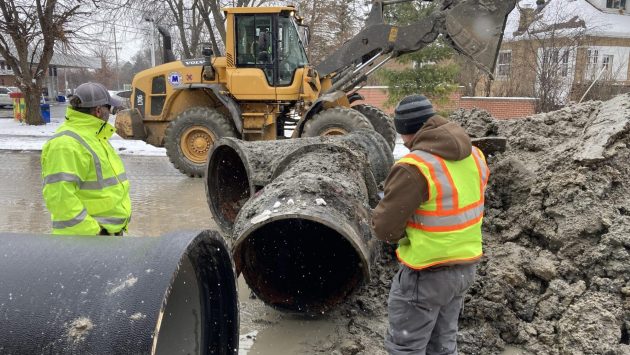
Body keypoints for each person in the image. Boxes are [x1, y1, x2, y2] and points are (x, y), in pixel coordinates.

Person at [372, 94, 489, 354]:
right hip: (464, 270)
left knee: (406, 348)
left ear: (406, 132)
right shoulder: (475, 155)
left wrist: (402, 231)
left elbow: (385, 228)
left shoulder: (414, 168)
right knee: (443, 346)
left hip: (426, 274)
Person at [41, 82, 131, 236]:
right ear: (98, 110)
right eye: (109, 109)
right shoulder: (66, 143)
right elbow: (61, 199)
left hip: (105, 239)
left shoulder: (95, 137)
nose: (111, 114)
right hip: (87, 242)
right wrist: (95, 233)